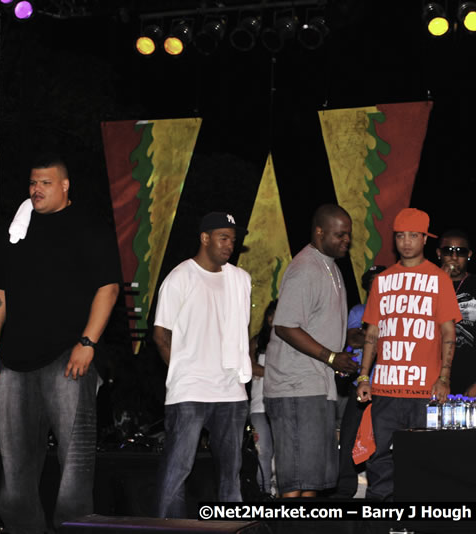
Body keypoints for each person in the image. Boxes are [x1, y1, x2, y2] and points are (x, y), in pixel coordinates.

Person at [0, 154, 120, 532]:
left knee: (75, 471)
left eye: (45, 183)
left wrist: (87, 342)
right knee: (14, 473)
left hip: (68, 358)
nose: (36, 190)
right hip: (15, 362)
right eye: (32, 183)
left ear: (64, 185)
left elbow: (108, 288)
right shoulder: (18, 229)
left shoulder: (88, 226)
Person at [357, 208, 462, 501]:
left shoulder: (439, 279)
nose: (406, 242)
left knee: (424, 463)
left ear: (424, 239)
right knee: (379, 461)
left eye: (413, 236)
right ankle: (381, 519)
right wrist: (364, 376)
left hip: (424, 391)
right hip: (385, 389)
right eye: (400, 236)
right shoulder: (382, 280)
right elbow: (372, 334)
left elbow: (449, 333)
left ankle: (417, 520)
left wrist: (444, 378)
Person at [153, 211, 253, 518]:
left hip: (231, 390)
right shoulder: (181, 277)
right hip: (190, 390)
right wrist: (183, 372)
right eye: (223, 238)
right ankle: (168, 527)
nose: (229, 245)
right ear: (205, 238)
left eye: (233, 240)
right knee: (177, 469)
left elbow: (241, 333)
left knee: (231, 473)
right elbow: (161, 334)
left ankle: (230, 526)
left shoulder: (240, 280)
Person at [264, 204, 358, 498]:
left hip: (317, 385)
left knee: (312, 482)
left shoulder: (331, 267)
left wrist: (346, 346)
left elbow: (318, 325)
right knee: (295, 483)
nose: (346, 240)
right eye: (340, 235)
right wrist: (331, 357)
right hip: (295, 386)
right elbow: (285, 326)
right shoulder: (305, 268)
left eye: (348, 235)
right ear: (319, 232)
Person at [333, 264, 386, 498]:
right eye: (371, 283)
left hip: (387, 386)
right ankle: (345, 490)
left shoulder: (396, 309)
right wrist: (376, 336)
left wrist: (368, 335)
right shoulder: (359, 311)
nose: (376, 286)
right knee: (349, 436)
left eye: (380, 281)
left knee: (382, 440)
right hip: (360, 385)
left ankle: (380, 490)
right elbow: (353, 339)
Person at [436, 229, 476, 398]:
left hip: (470, 384)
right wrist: (440, 281)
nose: (454, 257)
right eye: (448, 251)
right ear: (439, 253)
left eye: (460, 252)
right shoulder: (427, 285)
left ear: (469, 255)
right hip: (431, 381)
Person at [249, 300, 278, 496]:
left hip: (282, 403)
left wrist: (266, 372)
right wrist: (275, 373)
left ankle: (282, 491)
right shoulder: (257, 341)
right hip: (259, 405)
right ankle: (263, 493)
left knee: (283, 452)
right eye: (273, 314)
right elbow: (249, 366)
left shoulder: (292, 342)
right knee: (263, 450)